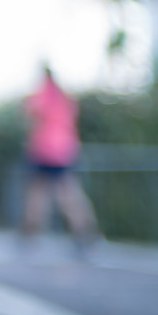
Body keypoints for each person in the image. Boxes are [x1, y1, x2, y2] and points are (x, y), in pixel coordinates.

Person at [18, 66, 99, 254]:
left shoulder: (43, 94)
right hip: (65, 150)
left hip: (45, 151)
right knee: (67, 193)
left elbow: (27, 111)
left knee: (39, 193)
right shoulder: (65, 97)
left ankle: (30, 233)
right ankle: (84, 232)